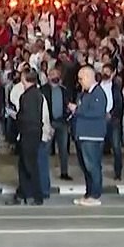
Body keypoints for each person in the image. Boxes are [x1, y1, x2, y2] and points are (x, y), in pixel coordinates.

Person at [70, 65, 108, 207]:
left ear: (88, 77)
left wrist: (77, 110)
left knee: (93, 166)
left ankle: (95, 194)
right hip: (82, 135)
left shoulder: (98, 93)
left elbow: (97, 113)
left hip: (92, 136)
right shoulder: (83, 94)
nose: (79, 81)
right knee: (85, 167)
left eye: (81, 78)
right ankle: (88, 192)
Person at [11, 70, 48, 206]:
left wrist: (17, 117)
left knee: (29, 164)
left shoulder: (27, 96)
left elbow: (27, 116)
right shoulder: (37, 94)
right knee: (25, 164)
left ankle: (36, 195)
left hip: (28, 133)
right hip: (33, 132)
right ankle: (24, 192)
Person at [41, 68, 72, 181]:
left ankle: (64, 172)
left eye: (57, 74)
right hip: (49, 123)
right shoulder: (43, 90)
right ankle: (43, 174)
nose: (55, 76)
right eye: (52, 74)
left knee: (63, 149)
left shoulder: (64, 90)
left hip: (62, 123)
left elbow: (68, 104)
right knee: (46, 149)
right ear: (48, 76)